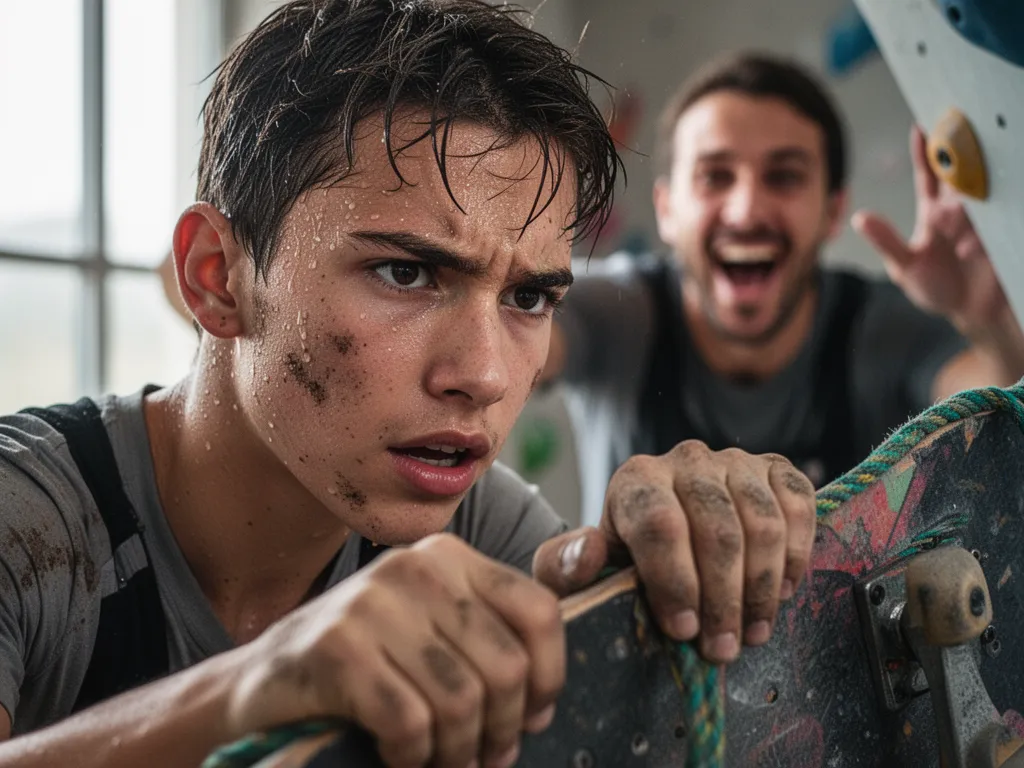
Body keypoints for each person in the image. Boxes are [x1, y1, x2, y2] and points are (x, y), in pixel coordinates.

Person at [0, 5, 817, 768]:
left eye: (528, 298)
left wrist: (656, 576)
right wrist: (252, 686)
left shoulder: (482, 532)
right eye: (406, 272)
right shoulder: (27, 520)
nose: (485, 376)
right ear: (218, 279)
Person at [544, 52, 1024, 523]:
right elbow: (504, 345)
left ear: (832, 211)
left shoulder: (884, 325)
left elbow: (999, 418)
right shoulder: (617, 311)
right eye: (715, 176)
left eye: (784, 176)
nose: (747, 211)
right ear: (667, 209)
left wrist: (991, 323)